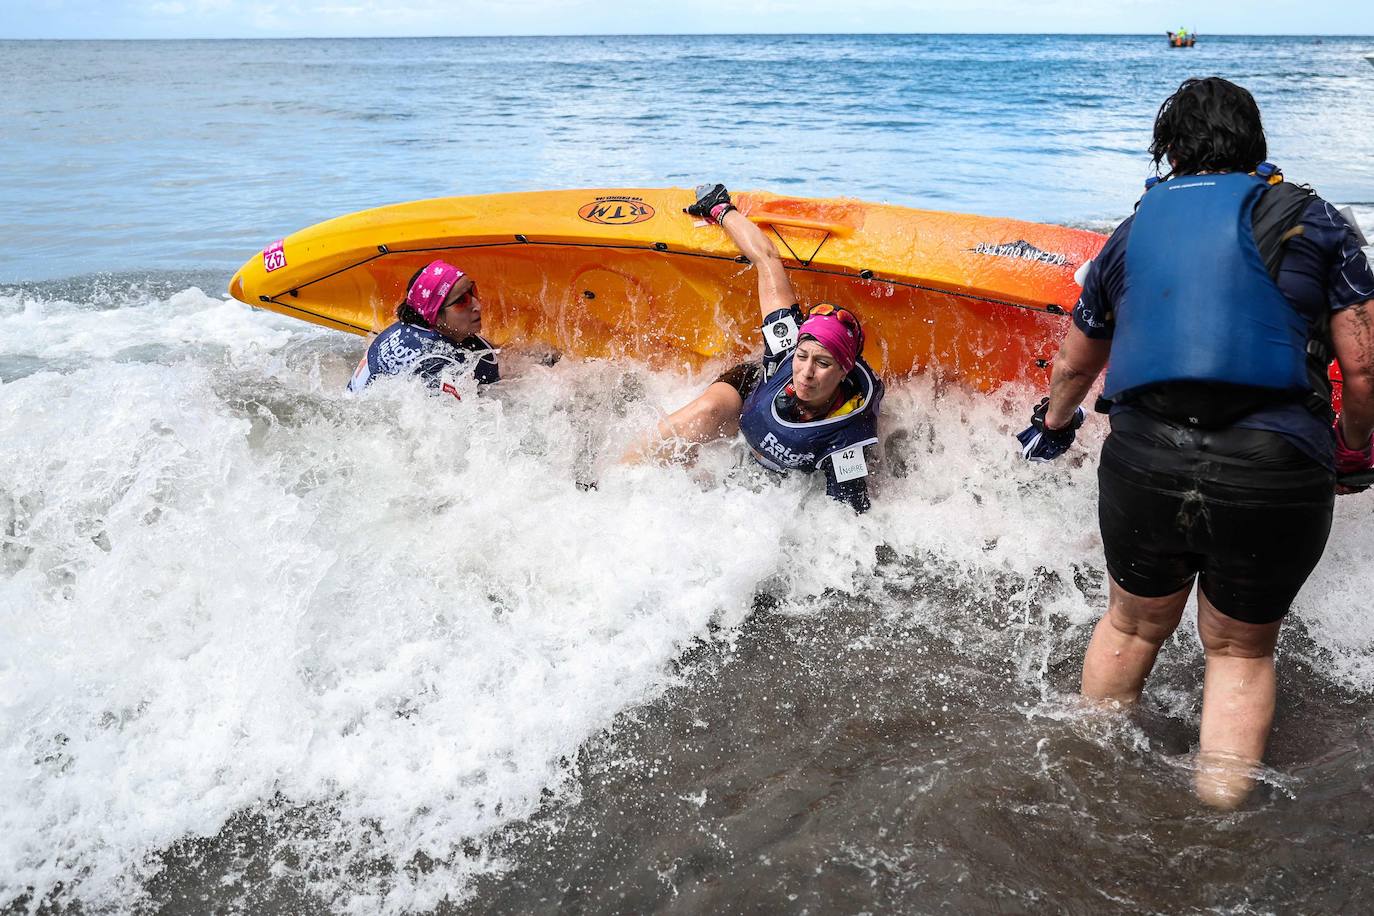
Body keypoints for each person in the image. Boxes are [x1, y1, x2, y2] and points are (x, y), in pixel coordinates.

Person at [1015, 77, 1374, 808]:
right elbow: (1363, 368)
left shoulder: (1133, 230)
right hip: (1271, 469)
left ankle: (1084, 779)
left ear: (1171, 150)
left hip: (1146, 462)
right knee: (1240, 650)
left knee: (1133, 621)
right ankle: (1217, 821)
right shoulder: (1322, 223)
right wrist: (1354, 449)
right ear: (1256, 143)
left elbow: (1076, 364)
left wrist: (1052, 427)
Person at [627, 184, 885, 513]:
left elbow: (848, 523)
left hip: (784, 471)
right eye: (803, 357)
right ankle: (609, 480)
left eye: (822, 364)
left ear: (844, 370)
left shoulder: (846, 439)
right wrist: (721, 210)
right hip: (753, 392)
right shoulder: (786, 344)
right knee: (704, 414)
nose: (805, 373)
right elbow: (766, 258)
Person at [347, 258, 499, 398]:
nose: (477, 305)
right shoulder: (436, 367)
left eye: (473, 291)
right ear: (435, 315)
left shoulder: (403, 328)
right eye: (461, 301)